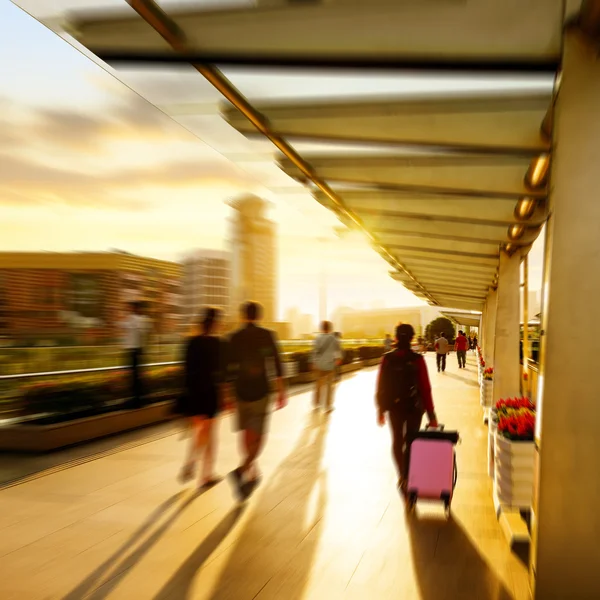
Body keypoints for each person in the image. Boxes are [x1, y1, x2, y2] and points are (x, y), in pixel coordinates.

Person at [226, 301, 286, 500]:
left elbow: (228, 368)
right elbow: (276, 363)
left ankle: (250, 471)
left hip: (240, 391)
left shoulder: (234, 337)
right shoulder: (267, 335)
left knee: (246, 433)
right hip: (260, 390)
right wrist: (281, 391)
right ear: (259, 316)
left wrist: (227, 395)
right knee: (259, 436)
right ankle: (243, 470)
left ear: (243, 316)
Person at [376, 323, 438, 498]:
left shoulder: (387, 359)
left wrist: (380, 409)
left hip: (394, 407)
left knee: (397, 440)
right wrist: (431, 415)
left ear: (395, 338)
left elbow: (381, 385)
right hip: (414, 407)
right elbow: (425, 388)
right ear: (412, 338)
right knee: (411, 440)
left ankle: (402, 476)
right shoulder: (417, 359)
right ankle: (409, 474)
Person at [177, 307, 225, 489]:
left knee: (199, 431)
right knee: (210, 434)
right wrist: (227, 396)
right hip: (211, 392)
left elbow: (185, 369)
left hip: (194, 393)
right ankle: (206, 475)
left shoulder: (190, 342)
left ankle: (191, 462)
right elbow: (221, 372)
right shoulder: (217, 343)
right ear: (215, 324)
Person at [123, 300, 150, 408]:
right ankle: (138, 399)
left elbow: (125, 325)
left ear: (137, 308)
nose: (130, 310)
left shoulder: (136, 319)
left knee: (135, 376)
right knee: (136, 376)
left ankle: (137, 400)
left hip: (135, 351)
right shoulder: (141, 320)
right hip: (137, 351)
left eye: (131, 308)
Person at [312, 321, 343, 412]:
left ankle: (316, 404)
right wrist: (337, 361)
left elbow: (314, 352)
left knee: (318, 385)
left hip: (319, 365)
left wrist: (313, 363)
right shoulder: (334, 339)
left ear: (321, 328)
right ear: (330, 328)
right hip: (330, 365)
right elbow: (338, 353)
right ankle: (328, 406)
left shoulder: (317, 338)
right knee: (329, 386)